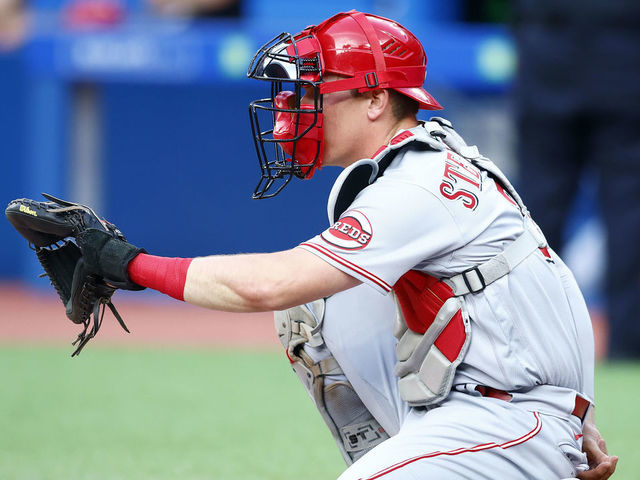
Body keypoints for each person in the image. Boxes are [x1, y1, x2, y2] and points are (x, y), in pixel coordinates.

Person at [75, 10, 617, 479]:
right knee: (311, 305)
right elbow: (545, 280)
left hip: (507, 419)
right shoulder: (425, 163)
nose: (291, 107)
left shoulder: (418, 185)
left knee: (294, 287)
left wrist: (130, 265)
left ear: (376, 99)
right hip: (480, 410)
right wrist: (579, 411)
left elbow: (268, 284)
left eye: (312, 91)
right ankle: (401, 457)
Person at [513, 0, 640, 359]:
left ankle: (528, 349)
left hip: (551, 46)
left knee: (538, 212)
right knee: (627, 214)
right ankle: (628, 349)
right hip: (621, 54)